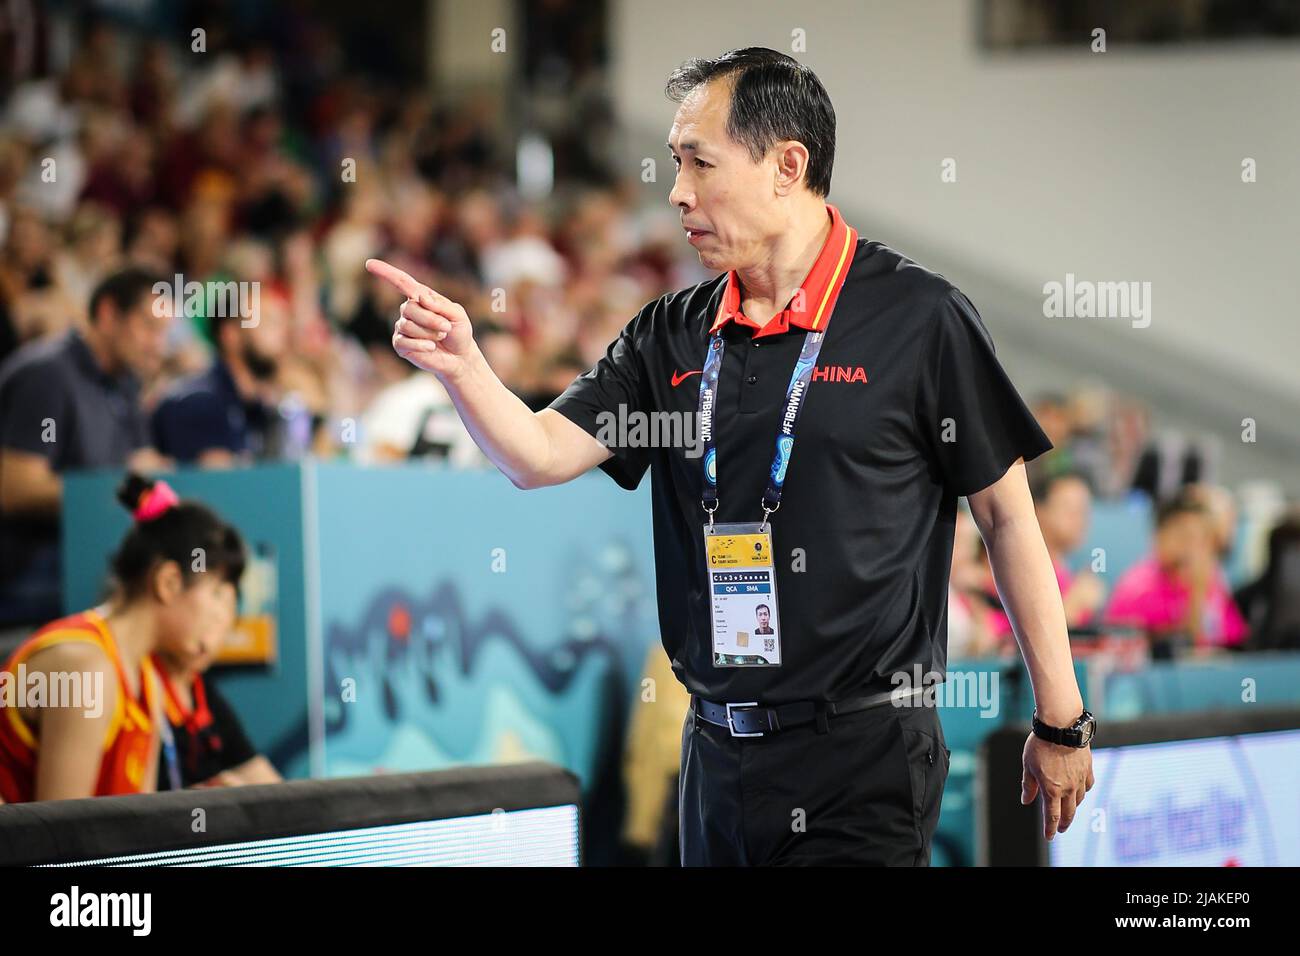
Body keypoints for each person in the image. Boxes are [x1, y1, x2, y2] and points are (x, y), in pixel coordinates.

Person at [365, 47, 1093, 865]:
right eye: (677, 163)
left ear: (788, 165)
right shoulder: (667, 333)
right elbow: (535, 454)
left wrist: (1060, 718)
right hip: (714, 755)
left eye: (699, 163)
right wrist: (465, 367)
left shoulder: (920, 319)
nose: (677, 192)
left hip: (863, 756)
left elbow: (1005, 516)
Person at [0, 474, 245, 803]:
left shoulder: (147, 679)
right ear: (169, 583)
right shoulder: (85, 668)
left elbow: (134, 821)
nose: (224, 615)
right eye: (216, 593)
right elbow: (56, 836)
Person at [0, 267, 174, 629]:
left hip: (89, 561)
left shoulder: (124, 385)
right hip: (31, 576)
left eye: (164, 333)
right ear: (109, 314)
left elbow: (143, 465)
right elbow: (17, 488)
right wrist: (113, 491)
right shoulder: (47, 377)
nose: (158, 345)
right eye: (148, 327)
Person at [151, 576, 282, 789]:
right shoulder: (141, 684)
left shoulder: (202, 691)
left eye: (223, 626)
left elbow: (268, 784)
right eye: (206, 620)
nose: (209, 641)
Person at [1104, 492, 1248, 655]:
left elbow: (1233, 641)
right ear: (1158, 536)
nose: (1192, 550)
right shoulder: (1137, 586)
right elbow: (1176, 647)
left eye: (1202, 539)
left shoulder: (1212, 583)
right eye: (1185, 536)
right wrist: (1197, 595)